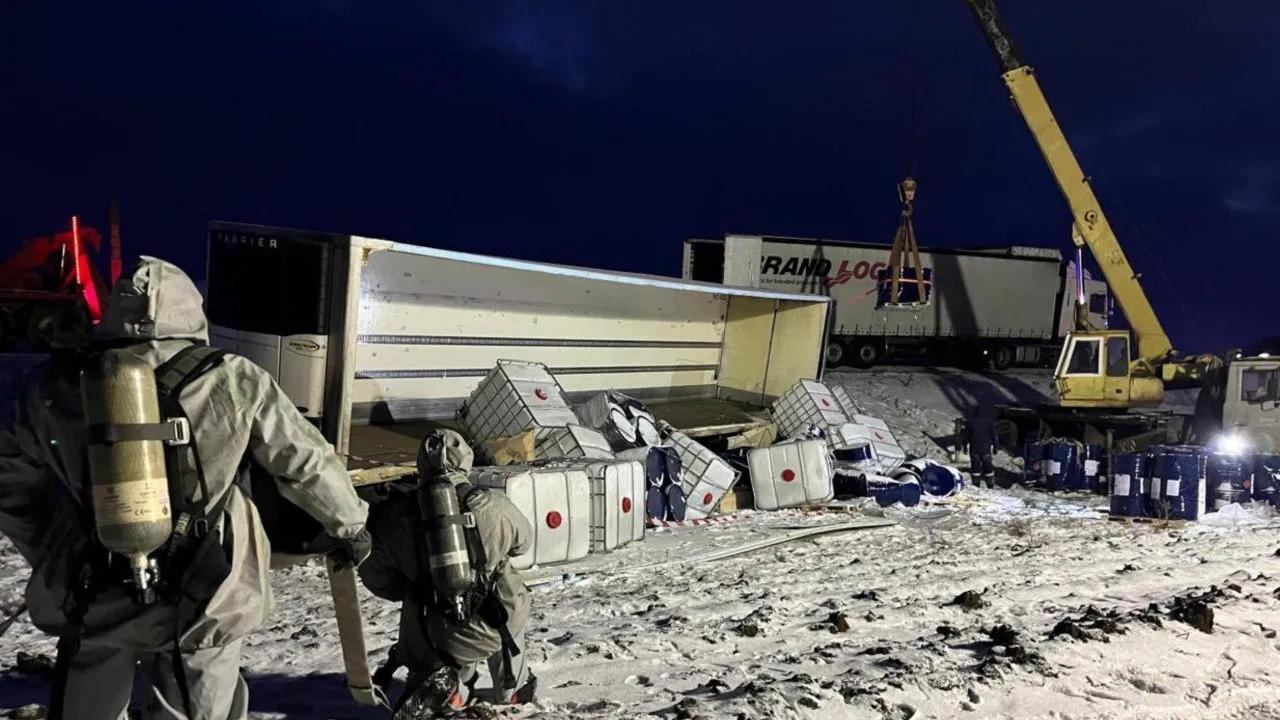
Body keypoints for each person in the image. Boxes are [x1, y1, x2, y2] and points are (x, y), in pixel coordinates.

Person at [0, 257, 370, 720]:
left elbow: (9, 481)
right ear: (191, 310)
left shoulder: (56, 384)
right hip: (207, 584)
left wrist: (48, 549)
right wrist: (351, 524)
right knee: (197, 699)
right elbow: (305, 462)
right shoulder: (234, 376)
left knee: (87, 693)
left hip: (91, 582)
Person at [359, 429, 536, 719]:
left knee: (436, 619)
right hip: (494, 626)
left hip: (431, 636)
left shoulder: (394, 517)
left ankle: (455, 691)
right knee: (505, 592)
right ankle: (512, 687)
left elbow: (380, 580)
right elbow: (523, 544)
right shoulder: (494, 505)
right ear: (466, 461)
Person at [967, 405, 998, 489]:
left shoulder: (972, 421)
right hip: (985, 448)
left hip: (974, 448)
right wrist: (996, 446)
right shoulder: (989, 422)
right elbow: (993, 435)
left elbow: (967, 435)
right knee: (988, 466)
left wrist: (964, 445)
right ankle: (990, 485)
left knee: (975, 467)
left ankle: (976, 485)